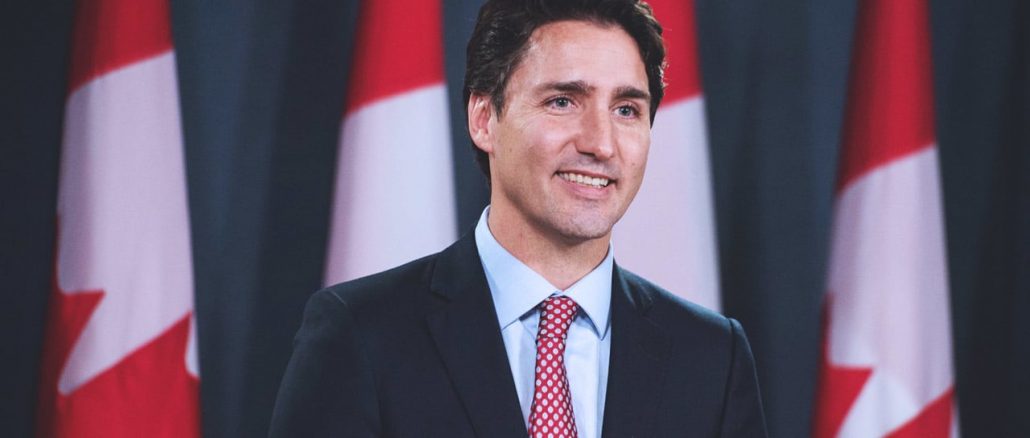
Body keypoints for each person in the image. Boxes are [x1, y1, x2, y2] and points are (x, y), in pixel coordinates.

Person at [269, 0, 767, 436]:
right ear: (484, 119)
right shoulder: (361, 334)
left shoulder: (713, 357)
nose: (600, 143)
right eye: (562, 101)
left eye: (626, 110)